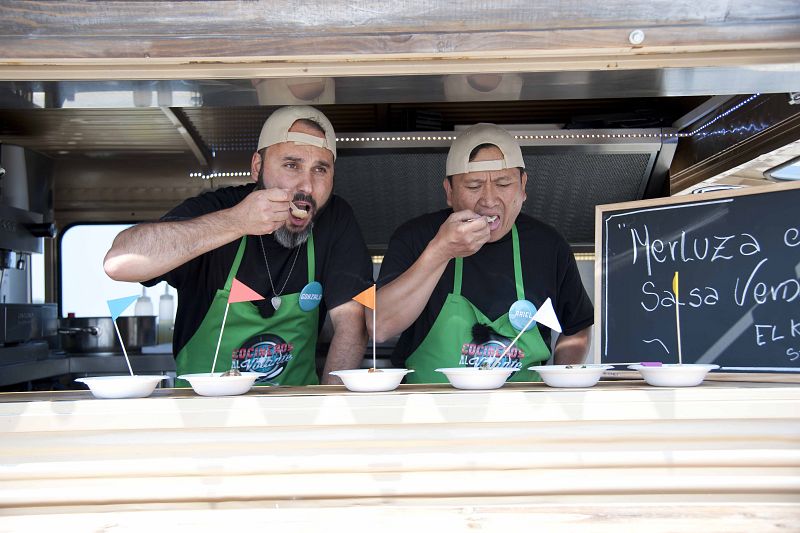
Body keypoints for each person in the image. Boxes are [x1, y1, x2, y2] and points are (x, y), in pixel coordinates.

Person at [104, 106, 372, 386]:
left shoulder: (334, 219)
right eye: (292, 165)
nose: (307, 185)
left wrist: (329, 403)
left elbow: (351, 322)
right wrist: (236, 221)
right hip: (204, 406)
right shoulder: (216, 208)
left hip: (295, 406)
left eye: (320, 169)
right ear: (257, 167)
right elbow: (119, 262)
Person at [372, 123, 593, 383]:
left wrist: (562, 382)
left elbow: (577, 327)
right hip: (431, 403)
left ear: (523, 186)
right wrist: (441, 250)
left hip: (523, 405)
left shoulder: (548, 246)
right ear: (449, 191)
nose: (489, 200)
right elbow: (379, 327)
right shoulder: (415, 238)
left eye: (503, 183)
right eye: (474, 185)